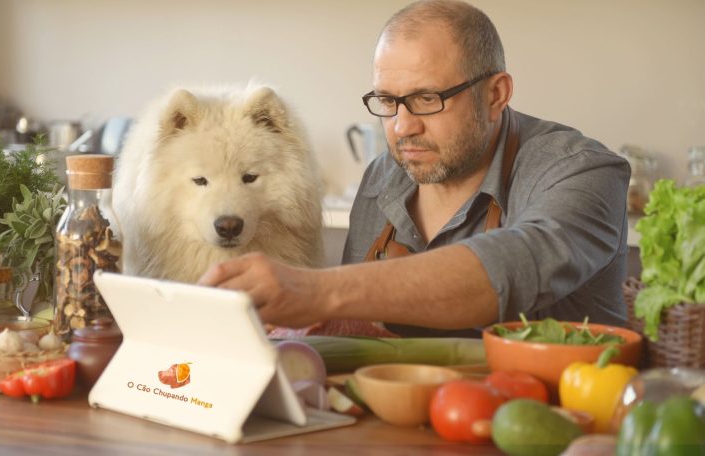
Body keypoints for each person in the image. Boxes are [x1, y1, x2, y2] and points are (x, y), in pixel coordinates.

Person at [198, 0, 630, 337]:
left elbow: (514, 266)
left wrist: (315, 290)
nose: (403, 127)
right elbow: (360, 331)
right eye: (388, 101)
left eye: (427, 99)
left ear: (495, 95)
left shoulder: (583, 171)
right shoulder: (383, 176)